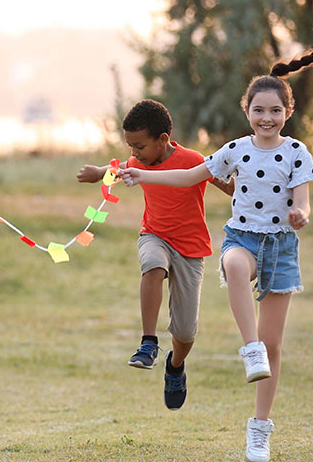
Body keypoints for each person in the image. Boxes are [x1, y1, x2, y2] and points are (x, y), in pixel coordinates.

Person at [119, 74, 313, 462]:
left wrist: (300, 214)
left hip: (280, 247)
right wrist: (143, 174)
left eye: (275, 110)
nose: (266, 118)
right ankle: (249, 348)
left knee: (274, 345)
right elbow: (189, 175)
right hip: (242, 239)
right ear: (246, 111)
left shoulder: (298, 152)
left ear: (288, 112)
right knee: (231, 264)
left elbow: (304, 200)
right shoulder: (235, 150)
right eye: (258, 110)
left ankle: (259, 429)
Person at [77, 100, 233, 409]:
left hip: (190, 248)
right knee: (152, 264)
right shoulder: (138, 164)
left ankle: (175, 365)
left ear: (163, 140)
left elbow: (226, 185)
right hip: (154, 235)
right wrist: (98, 173)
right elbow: (118, 171)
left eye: (140, 146)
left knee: (186, 331)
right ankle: (148, 342)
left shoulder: (193, 159)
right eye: (130, 147)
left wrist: (250, 184)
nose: (134, 154)